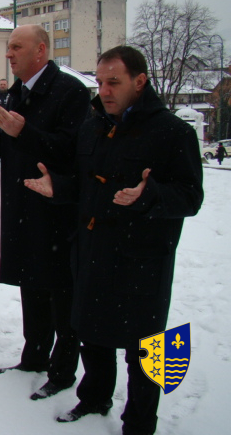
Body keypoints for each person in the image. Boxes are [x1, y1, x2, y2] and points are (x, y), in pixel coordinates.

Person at [24, 46, 204, 434]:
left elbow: (191, 196)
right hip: (92, 250)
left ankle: (140, 422)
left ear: (140, 82)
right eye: (101, 82)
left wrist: (150, 194)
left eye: (114, 83)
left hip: (142, 259)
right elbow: (84, 183)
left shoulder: (173, 133)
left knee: (146, 348)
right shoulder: (93, 127)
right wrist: (59, 187)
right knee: (92, 334)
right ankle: (94, 397)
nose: (104, 91)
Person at [0, 24, 89, 399]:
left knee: (60, 294)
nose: (8, 54)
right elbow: (10, 145)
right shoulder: (17, 92)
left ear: (40, 50)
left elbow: (70, 150)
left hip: (55, 210)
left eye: (16, 47)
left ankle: (62, 372)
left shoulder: (70, 91)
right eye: (8, 47)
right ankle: (34, 357)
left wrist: (23, 132)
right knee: (32, 287)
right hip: (22, 205)